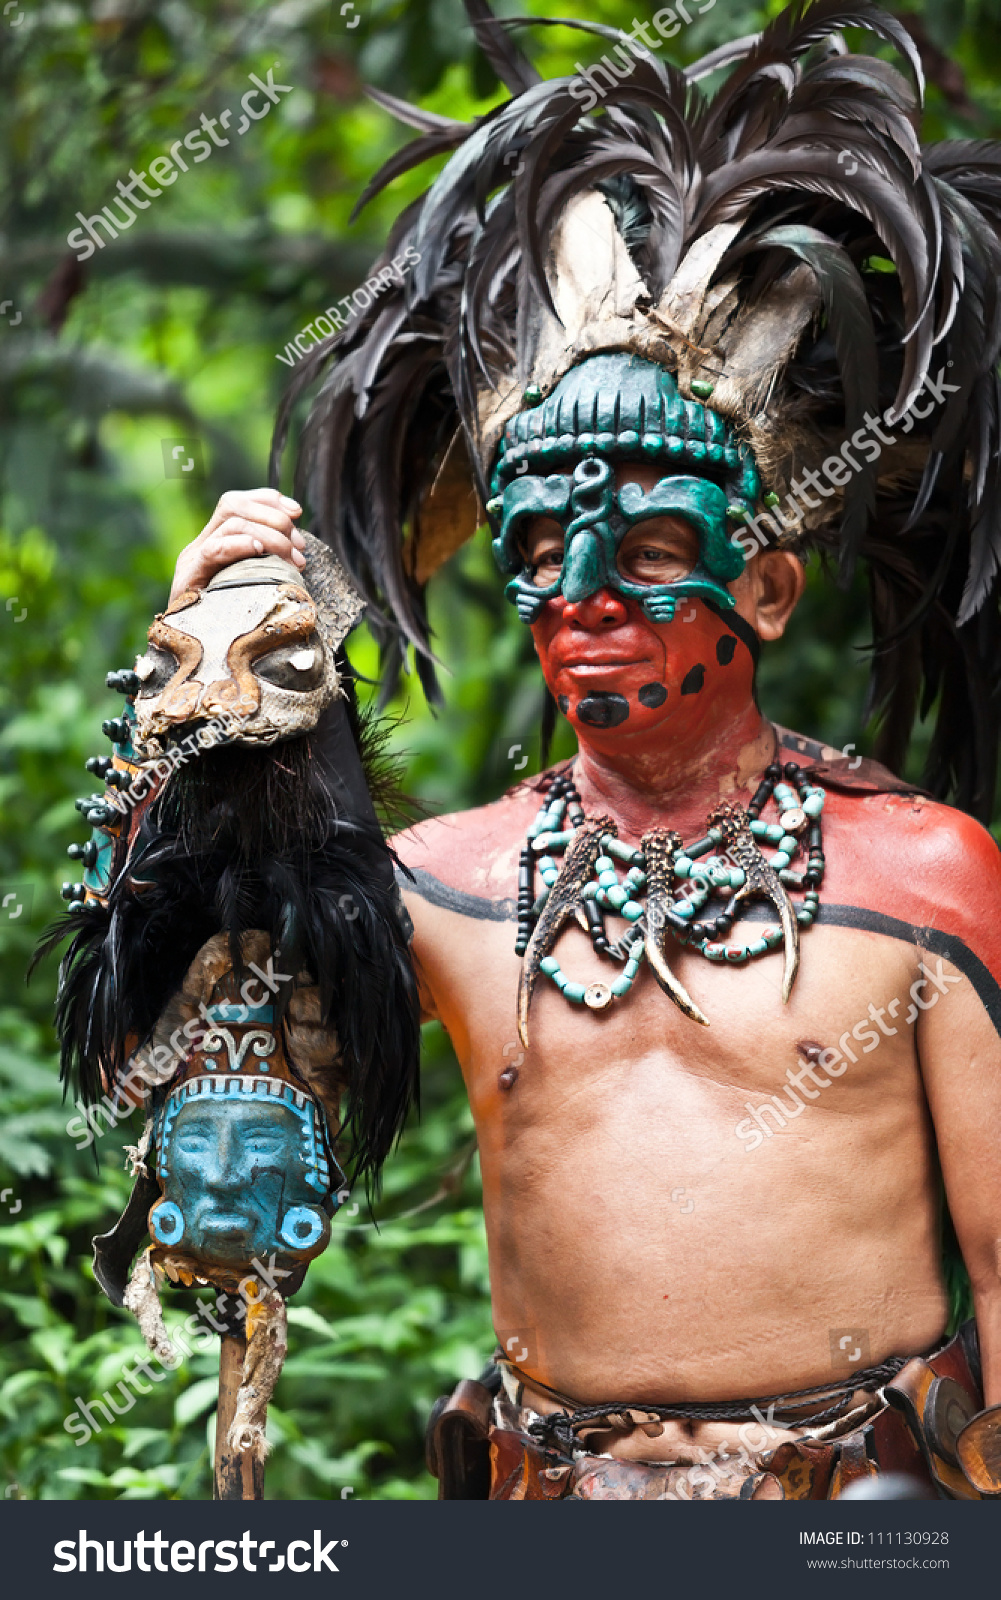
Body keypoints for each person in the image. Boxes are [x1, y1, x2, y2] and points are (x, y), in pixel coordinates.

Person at [110, 2, 1001, 1497]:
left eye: (651, 547)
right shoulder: (440, 883)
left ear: (766, 588)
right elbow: (202, 1044)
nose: (586, 590)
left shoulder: (919, 872)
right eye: (538, 547)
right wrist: (207, 680)